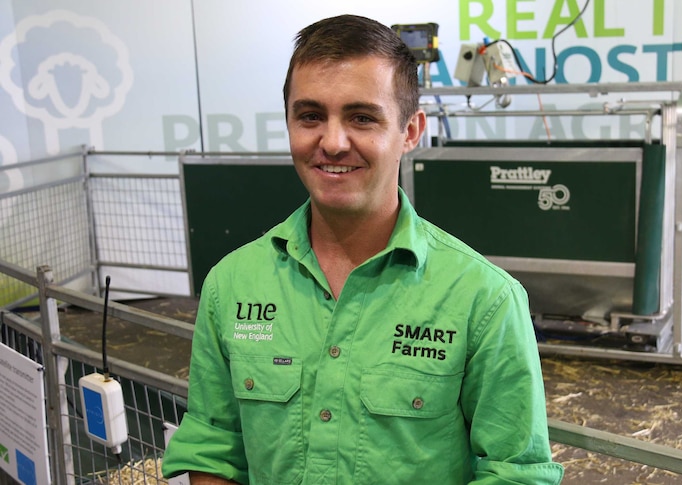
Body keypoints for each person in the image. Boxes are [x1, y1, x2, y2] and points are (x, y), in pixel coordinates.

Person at [161, 14, 563, 485]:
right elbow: (214, 449)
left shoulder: (484, 299)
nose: (332, 142)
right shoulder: (231, 285)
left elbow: (516, 473)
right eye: (310, 116)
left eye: (362, 118)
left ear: (410, 132)